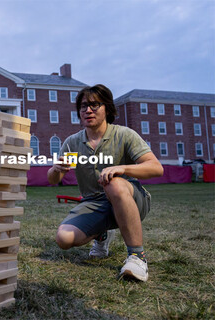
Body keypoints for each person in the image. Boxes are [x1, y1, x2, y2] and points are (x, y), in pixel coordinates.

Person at [47, 84, 163, 282]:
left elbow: (156, 168)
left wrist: (123, 169)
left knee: (115, 184)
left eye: (94, 105)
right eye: (83, 106)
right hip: (94, 202)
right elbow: (54, 180)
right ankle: (101, 235)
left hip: (130, 199)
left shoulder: (124, 134)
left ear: (107, 108)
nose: (88, 110)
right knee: (63, 239)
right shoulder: (72, 143)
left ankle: (137, 257)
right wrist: (55, 170)